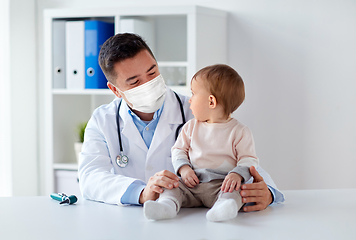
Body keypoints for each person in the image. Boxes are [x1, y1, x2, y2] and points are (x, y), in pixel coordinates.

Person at [78, 33, 284, 211]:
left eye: (152, 72)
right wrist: (142, 192)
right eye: (135, 82)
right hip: (132, 222)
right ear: (115, 90)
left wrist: (269, 193)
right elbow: (91, 177)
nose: (149, 83)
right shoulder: (102, 120)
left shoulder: (196, 110)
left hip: (194, 222)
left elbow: (242, 158)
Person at [144, 64, 259, 221]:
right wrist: (184, 169)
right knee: (172, 187)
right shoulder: (191, 127)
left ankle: (223, 207)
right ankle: (167, 206)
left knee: (236, 190)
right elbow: (178, 150)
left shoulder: (239, 131)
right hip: (192, 183)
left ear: (211, 102)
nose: (190, 100)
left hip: (222, 184)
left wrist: (236, 175)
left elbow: (248, 159)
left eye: (193, 94)